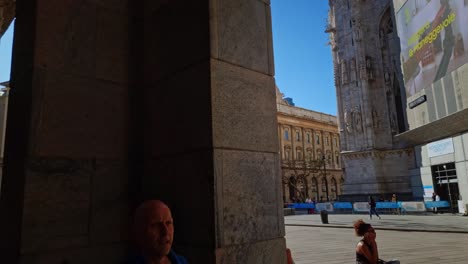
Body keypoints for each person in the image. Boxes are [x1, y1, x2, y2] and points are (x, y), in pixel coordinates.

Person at [125, 200, 188, 264]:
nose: (165, 232)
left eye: (168, 223)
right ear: (139, 231)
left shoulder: (182, 261)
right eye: (156, 225)